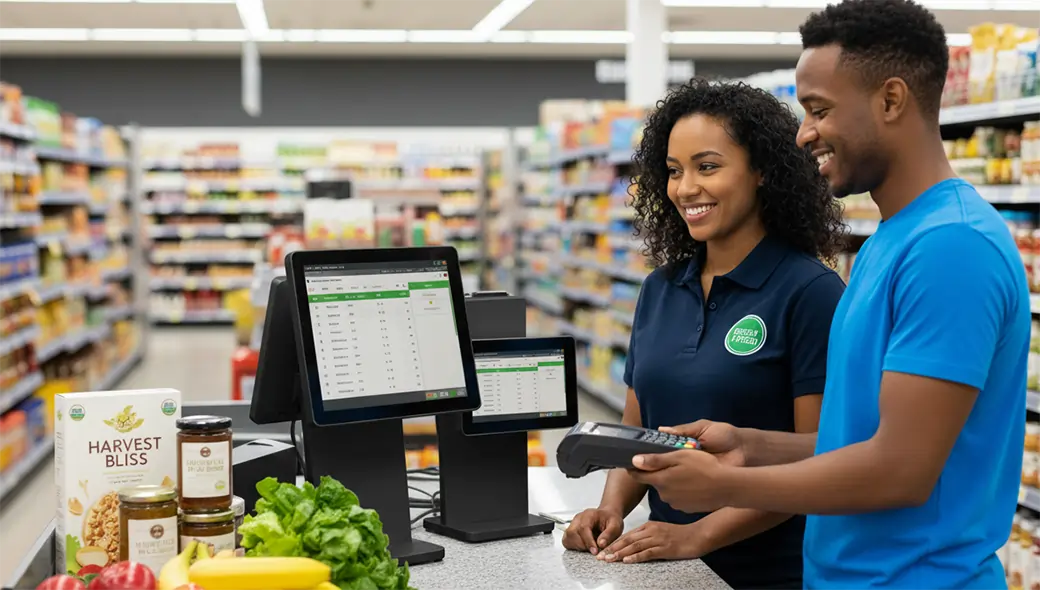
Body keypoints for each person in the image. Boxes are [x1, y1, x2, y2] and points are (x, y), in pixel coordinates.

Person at [625, 1, 1030, 588]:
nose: (804, 132)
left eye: (819, 110)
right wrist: (749, 445)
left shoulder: (953, 247)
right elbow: (858, 440)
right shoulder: (891, 242)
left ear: (891, 101)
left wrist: (725, 485)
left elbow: (900, 472)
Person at [561, 79, 846, 589]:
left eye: (707, 167)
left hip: (765, 573)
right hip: (662, 567)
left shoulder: (810, 292)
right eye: (673, 171)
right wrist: (609, 512)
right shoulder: (660, 288)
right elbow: (636, 435)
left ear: (762, 171)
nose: (685, 188)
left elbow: (820, 455)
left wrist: (697, 537)